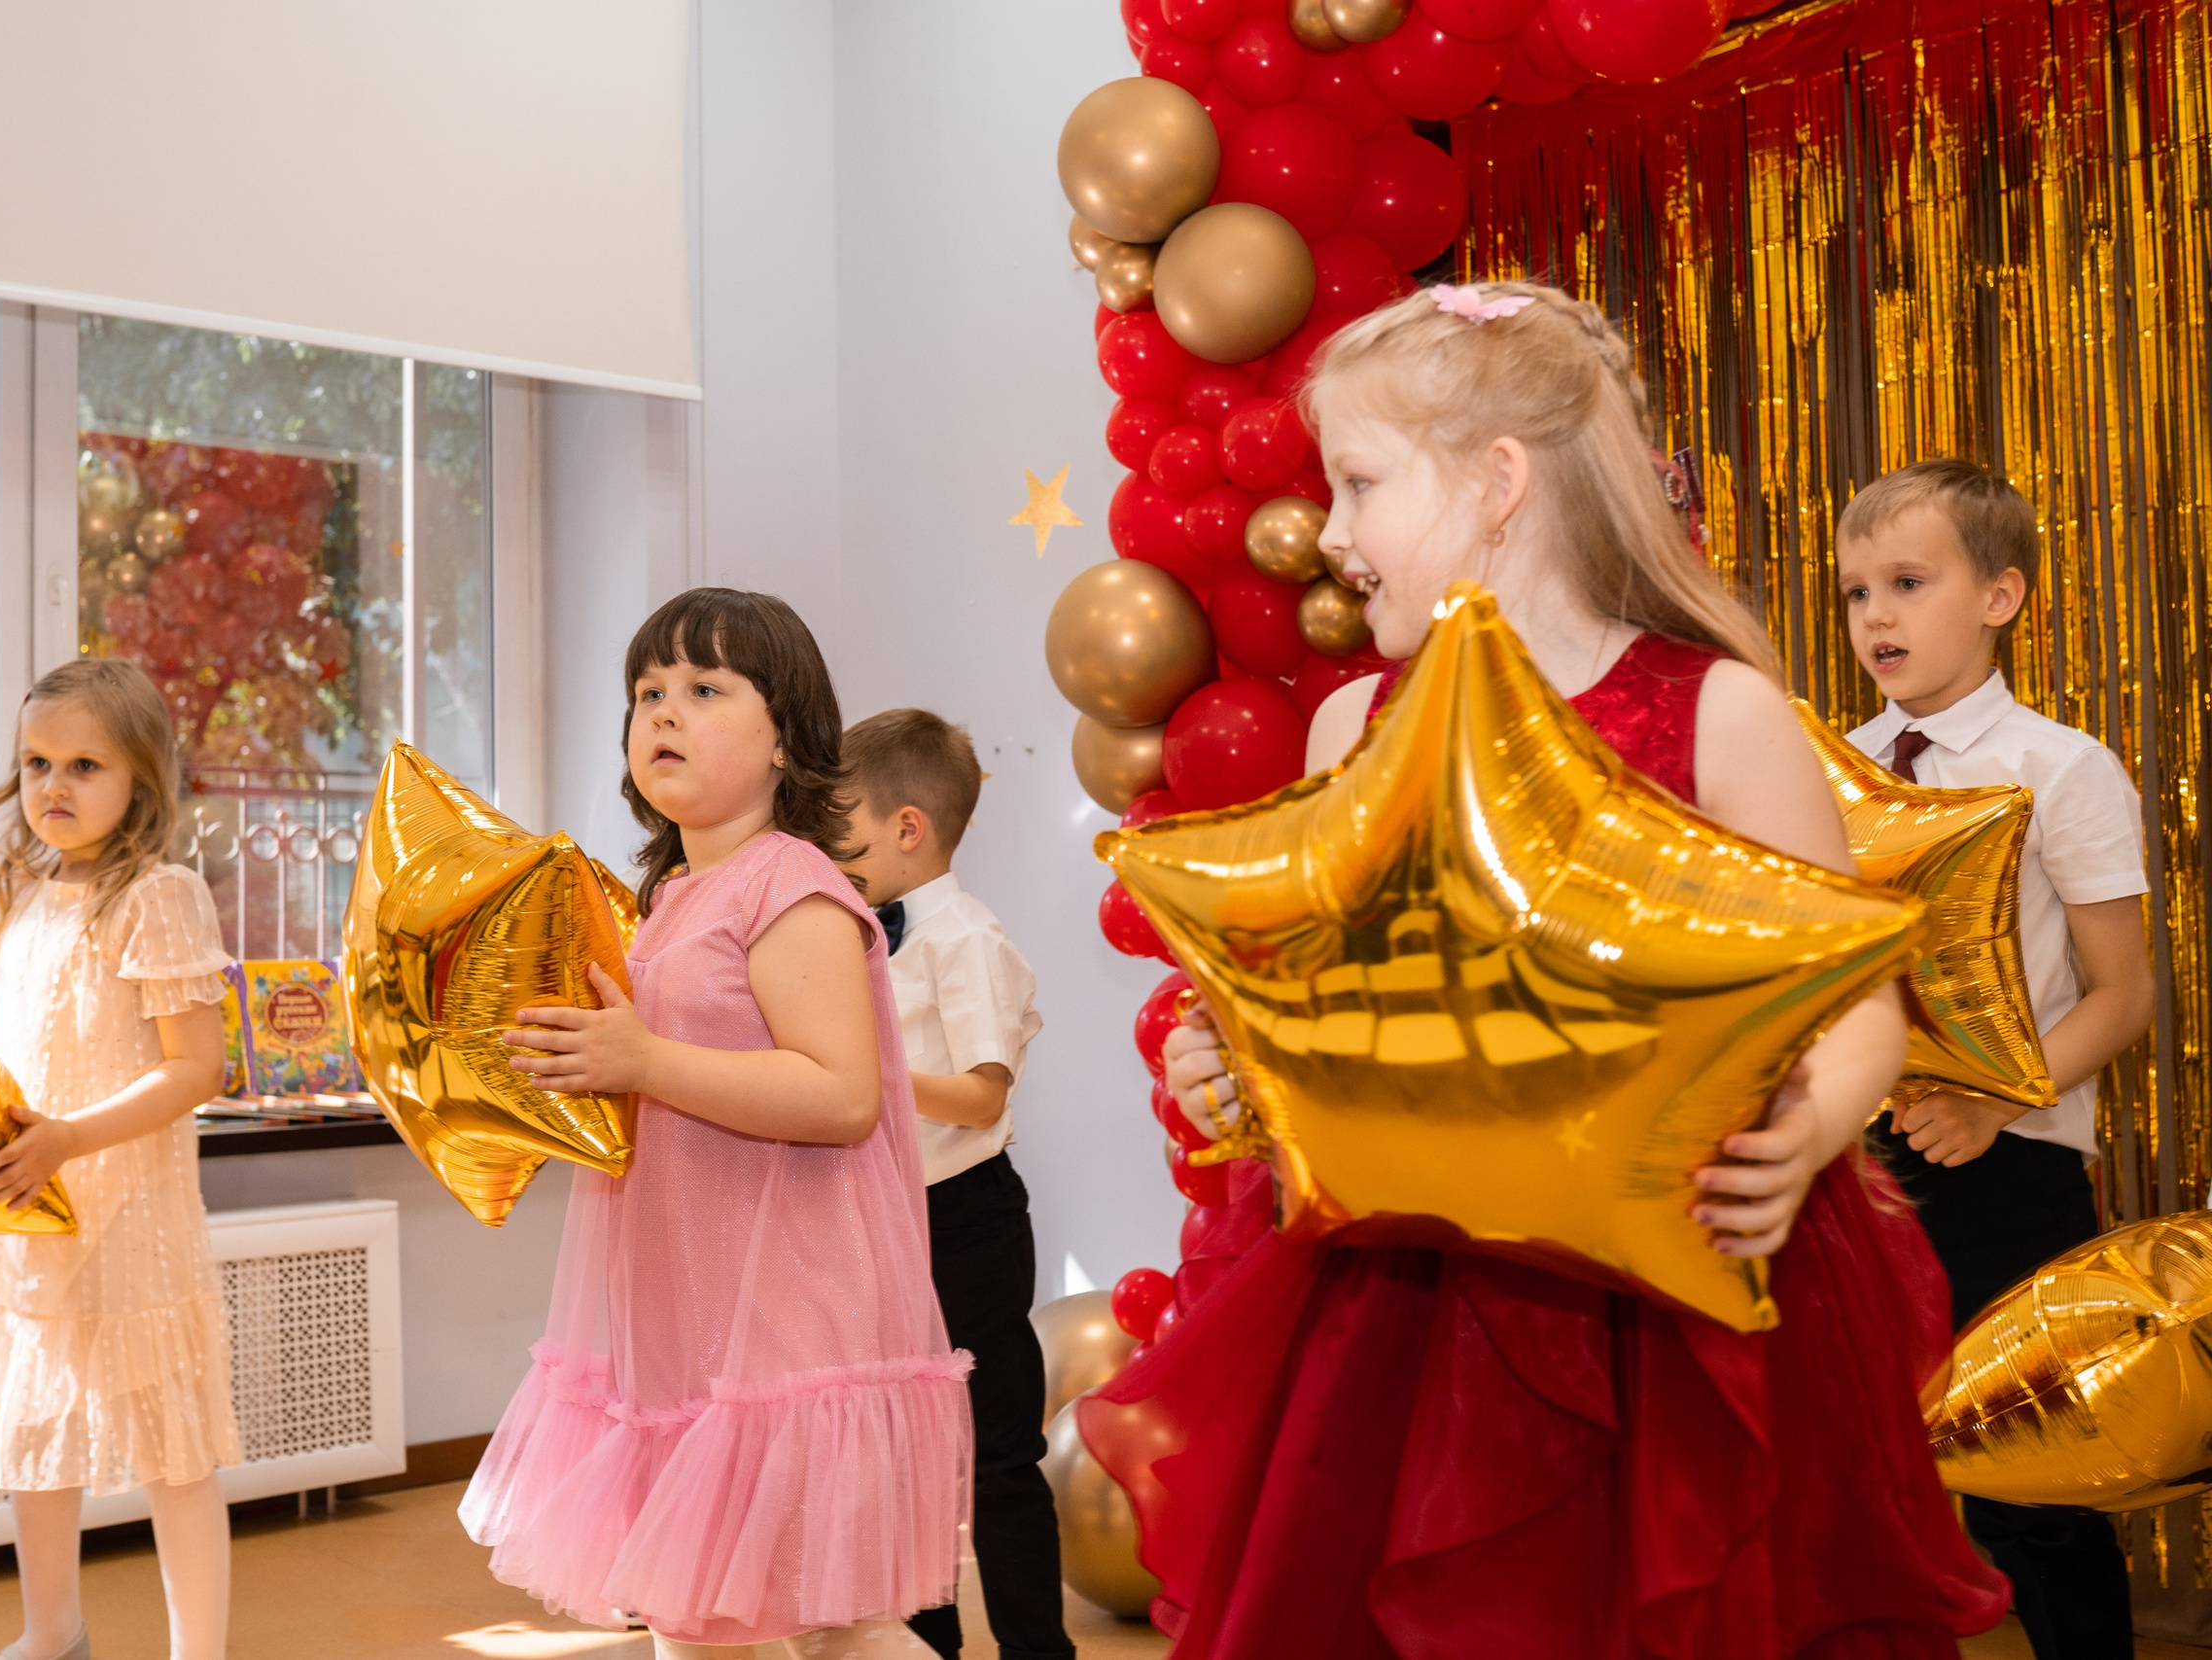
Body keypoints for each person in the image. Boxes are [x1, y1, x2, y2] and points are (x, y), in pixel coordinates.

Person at [1083, 281, 2012, 1659]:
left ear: (1499, 482)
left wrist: (1811, 1126)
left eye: (1358, 482)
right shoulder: (1356, 722)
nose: (1329, 535)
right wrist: (1226, 1062)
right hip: (1408, 1318)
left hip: (1683, 1304)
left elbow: (1858, 1004)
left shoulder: (1718, 713)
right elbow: (1308, 1009)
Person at [466, 587, 972, 1660]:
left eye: (704, 689)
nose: (663, 712)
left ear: (787, 736)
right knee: (697, 1611)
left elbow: (841, 1096)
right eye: (648, 692)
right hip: (685, 1308)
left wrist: (644, 1060)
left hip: (783, 1306)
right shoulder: (671, 900)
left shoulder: (787, 883)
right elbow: (677, 1080)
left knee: (835, 1622)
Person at [1841, 459, 2154, 1660]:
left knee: (2031, 1492)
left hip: (2009, 1172)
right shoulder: (1839, 763)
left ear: (1999, 597)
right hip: (1858, 1169)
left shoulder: (2061, 768)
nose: (1876, 616)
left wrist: (1986, 1105)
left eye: (1908, 582)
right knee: (1868, 1479)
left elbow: (2124, 994)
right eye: (1858, 591)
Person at [0, 658, 241, 1660]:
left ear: (141, 780)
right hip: (26, 1205)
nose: (54, 786)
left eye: (85, 764)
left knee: (172, 1449)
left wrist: (72, 1139)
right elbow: (23, 1053)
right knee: (32, 1434)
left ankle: (197, 1653)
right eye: (37, 762)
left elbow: (196, 1068)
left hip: (126, 1211)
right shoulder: (27, 898)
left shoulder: (159, 896)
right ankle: (53, 1634)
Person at [839, 708, 1070, 1660]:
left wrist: (862, 1072)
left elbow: (978, 1099)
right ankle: (928, 1647)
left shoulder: (966, 938)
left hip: (968, 1222)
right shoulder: (854, 938)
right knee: (904, 1465)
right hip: (884, 1224)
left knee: (999, 1462)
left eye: (838, 828)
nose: (822, 849)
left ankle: (1036, 1653)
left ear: (906, 828)